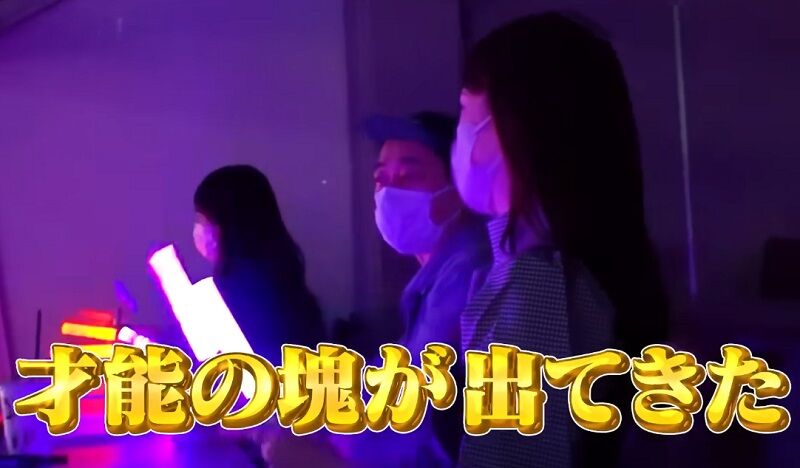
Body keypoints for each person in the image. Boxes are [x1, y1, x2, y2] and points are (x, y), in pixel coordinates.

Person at [452, 12, 669, 468]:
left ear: (514, 126)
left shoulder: (538, 288)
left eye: (466, 111)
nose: (459, 135)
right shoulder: (567, 266)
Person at [337, 112, 491, 467]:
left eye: (409, 176)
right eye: (381, 179)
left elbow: (413, 410)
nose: (390, 192)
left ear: (457, 187)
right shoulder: (437, 273)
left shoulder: (468, 269)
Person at [192, 164, 327, 363]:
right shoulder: (275, 276)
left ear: (229, 225)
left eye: (202, 220)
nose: (199, 229)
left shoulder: (249, 290)